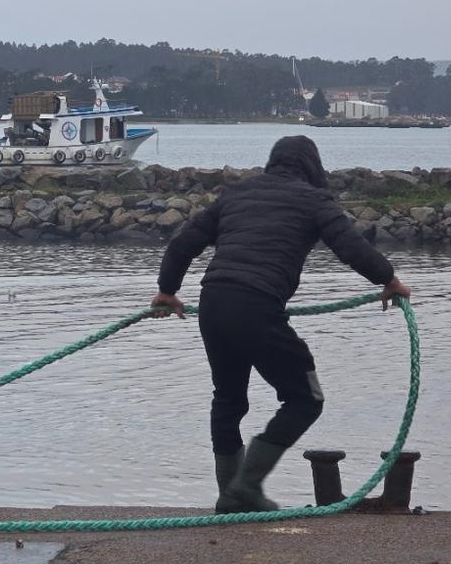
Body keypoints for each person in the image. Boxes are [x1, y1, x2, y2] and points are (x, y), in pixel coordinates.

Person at [151, 136, 411, 514]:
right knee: (306, 399)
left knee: (228, 399)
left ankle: (231, 498)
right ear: (313, 166)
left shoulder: (236, 194)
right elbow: (350, 247)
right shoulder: (314, 199)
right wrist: (389, 279)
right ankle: (245, 488)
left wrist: (167, 290)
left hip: (213, 304)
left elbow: (181, 244)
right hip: (257, 306)